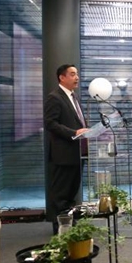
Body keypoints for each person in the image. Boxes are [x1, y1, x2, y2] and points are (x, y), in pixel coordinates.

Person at [45, 64, 89, 233]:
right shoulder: (54, 97)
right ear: (62, 78)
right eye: (72, 74)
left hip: (77, 153)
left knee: (71, 193)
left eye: (76, 74)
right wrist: (74, 132)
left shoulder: (73, 96)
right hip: (63, 154)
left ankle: (69, 225)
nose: (76, 77)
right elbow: (50, 124)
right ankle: (60, 229)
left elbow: (77, 121)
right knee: (61, 194)